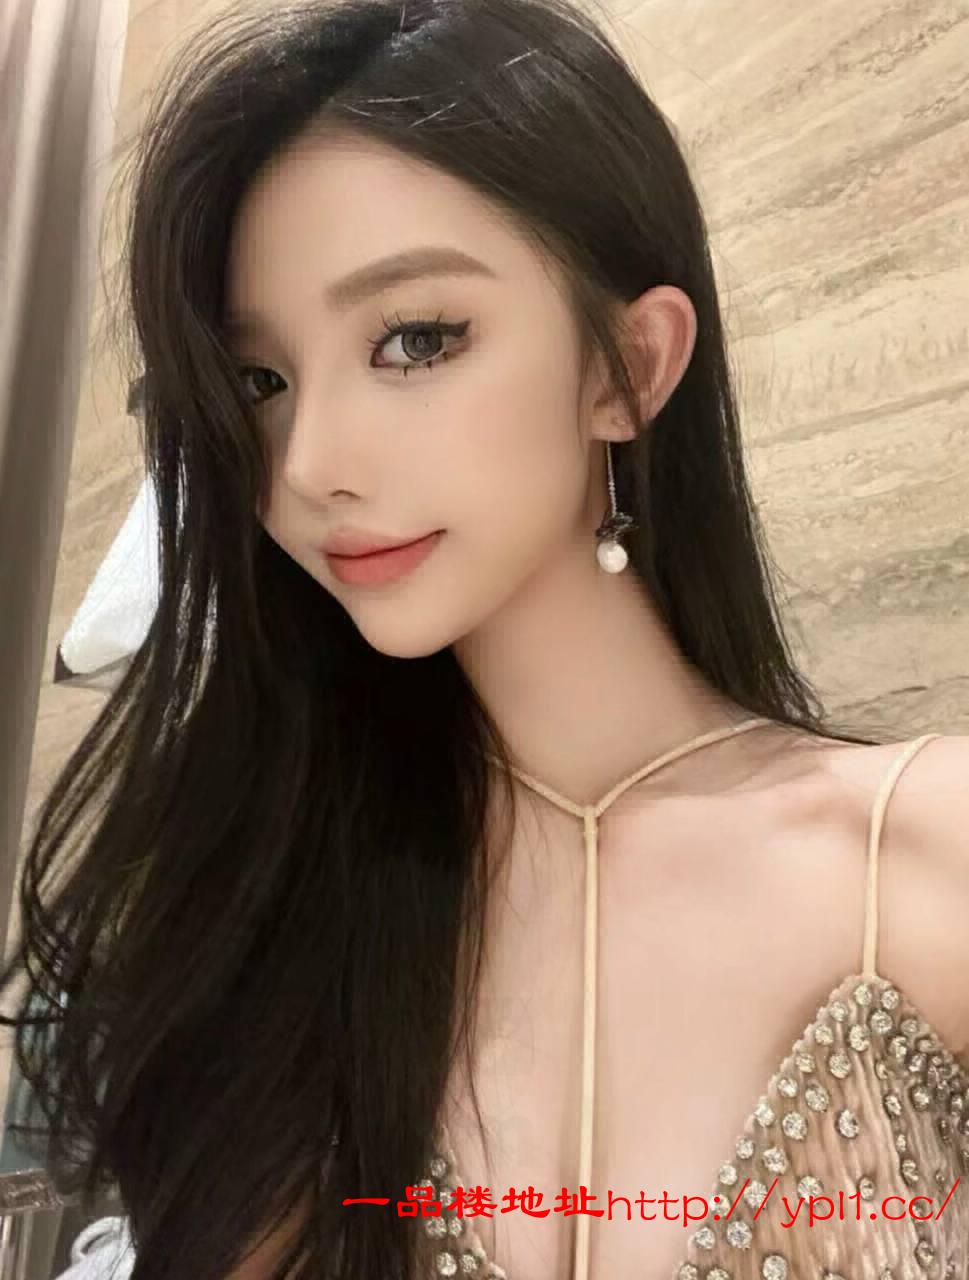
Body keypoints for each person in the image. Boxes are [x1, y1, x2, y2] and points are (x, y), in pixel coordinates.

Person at [1, 0, 967, 1277]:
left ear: (629, 366)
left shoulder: (923, 853)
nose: (310, 461)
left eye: (415, 339)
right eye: (260, 382)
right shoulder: (283, 912)